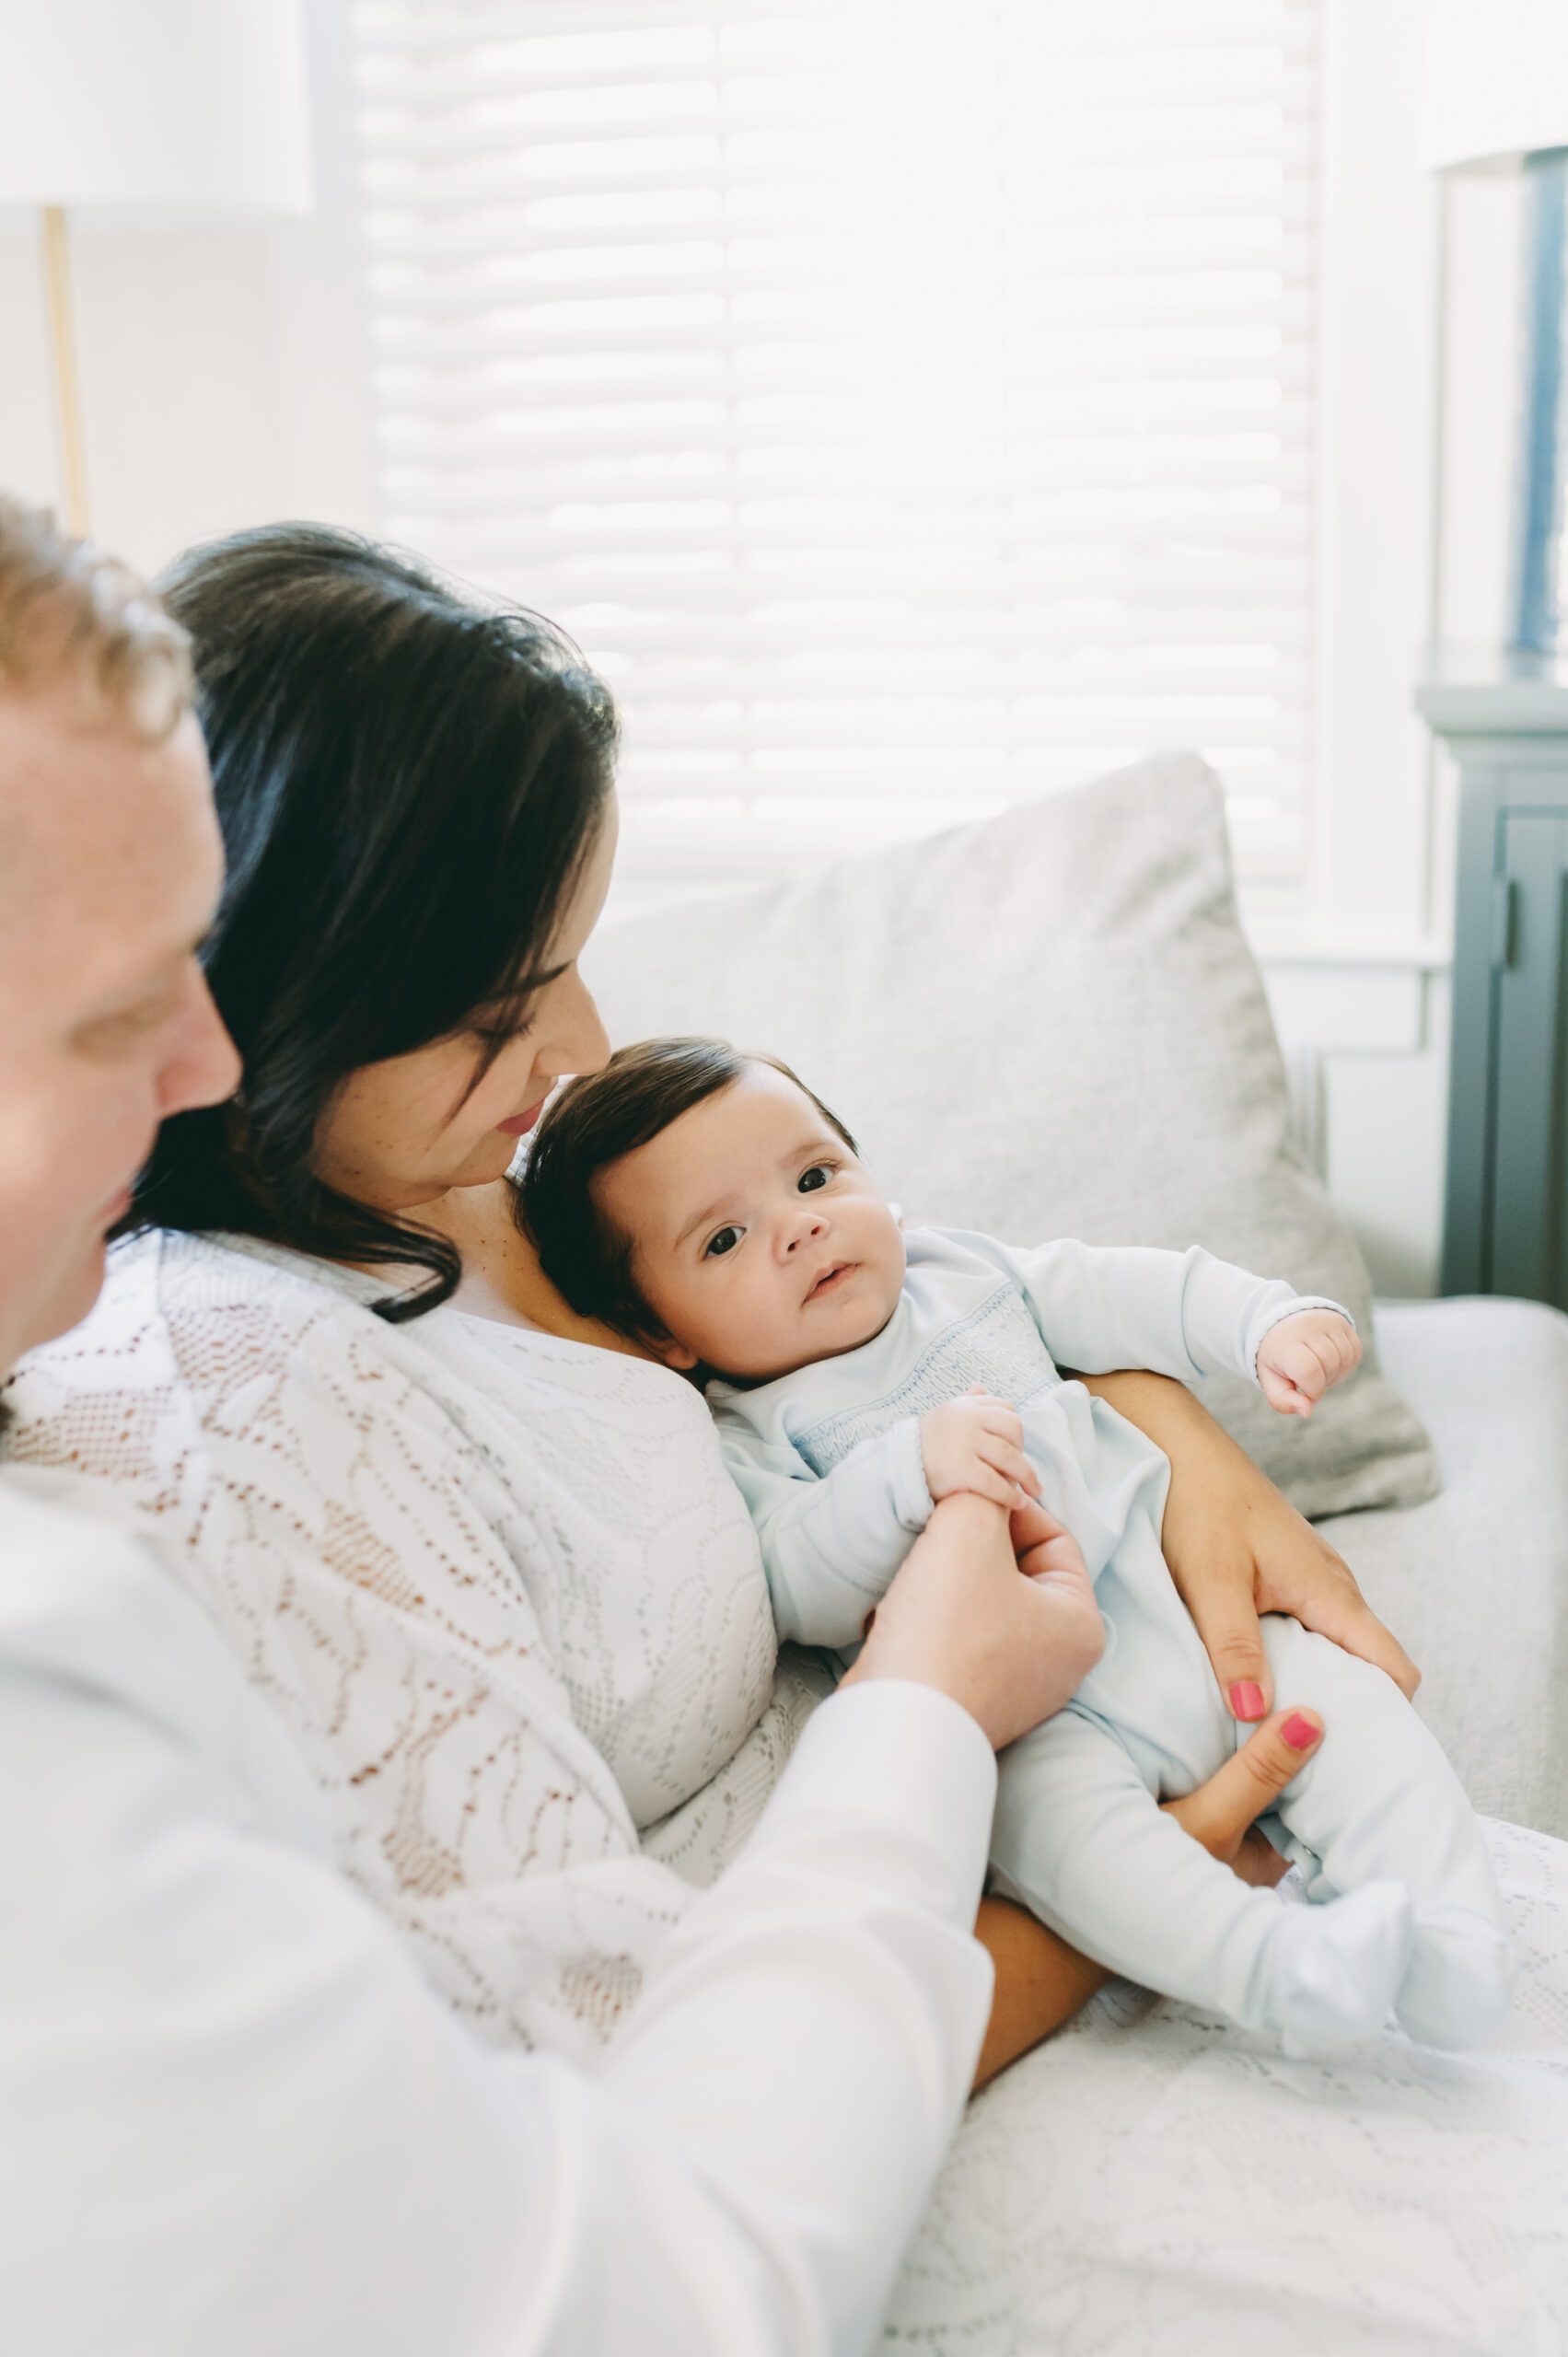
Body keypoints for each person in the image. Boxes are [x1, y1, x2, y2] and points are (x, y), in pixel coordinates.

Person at [0, 505, 1406, 2352]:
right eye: (499, 1002)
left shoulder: (462, 1172)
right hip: (933, 2037)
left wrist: (1140, 1411)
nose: (582, 1040)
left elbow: (899, 1285)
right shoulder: (243, 1393)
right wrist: (1106, 1887)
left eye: (571, 955)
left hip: (1018, 1883)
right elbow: (610, 2149)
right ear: (286, 995)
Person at [520, 1036, 1516, 2058]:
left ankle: (1455, 1949)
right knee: (1079, 1854)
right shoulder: (750, 1435)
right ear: (664, 1333)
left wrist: (1265, 1320)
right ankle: (1277, 1969)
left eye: (815, 1175)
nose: (798, 1227)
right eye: (723, 1240)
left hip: (1193, 1613)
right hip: (1036, 1724)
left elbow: (1128, 1289)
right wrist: (909, 1470)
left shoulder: (960, 1274)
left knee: (1362, 1719)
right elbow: (793, 1582)